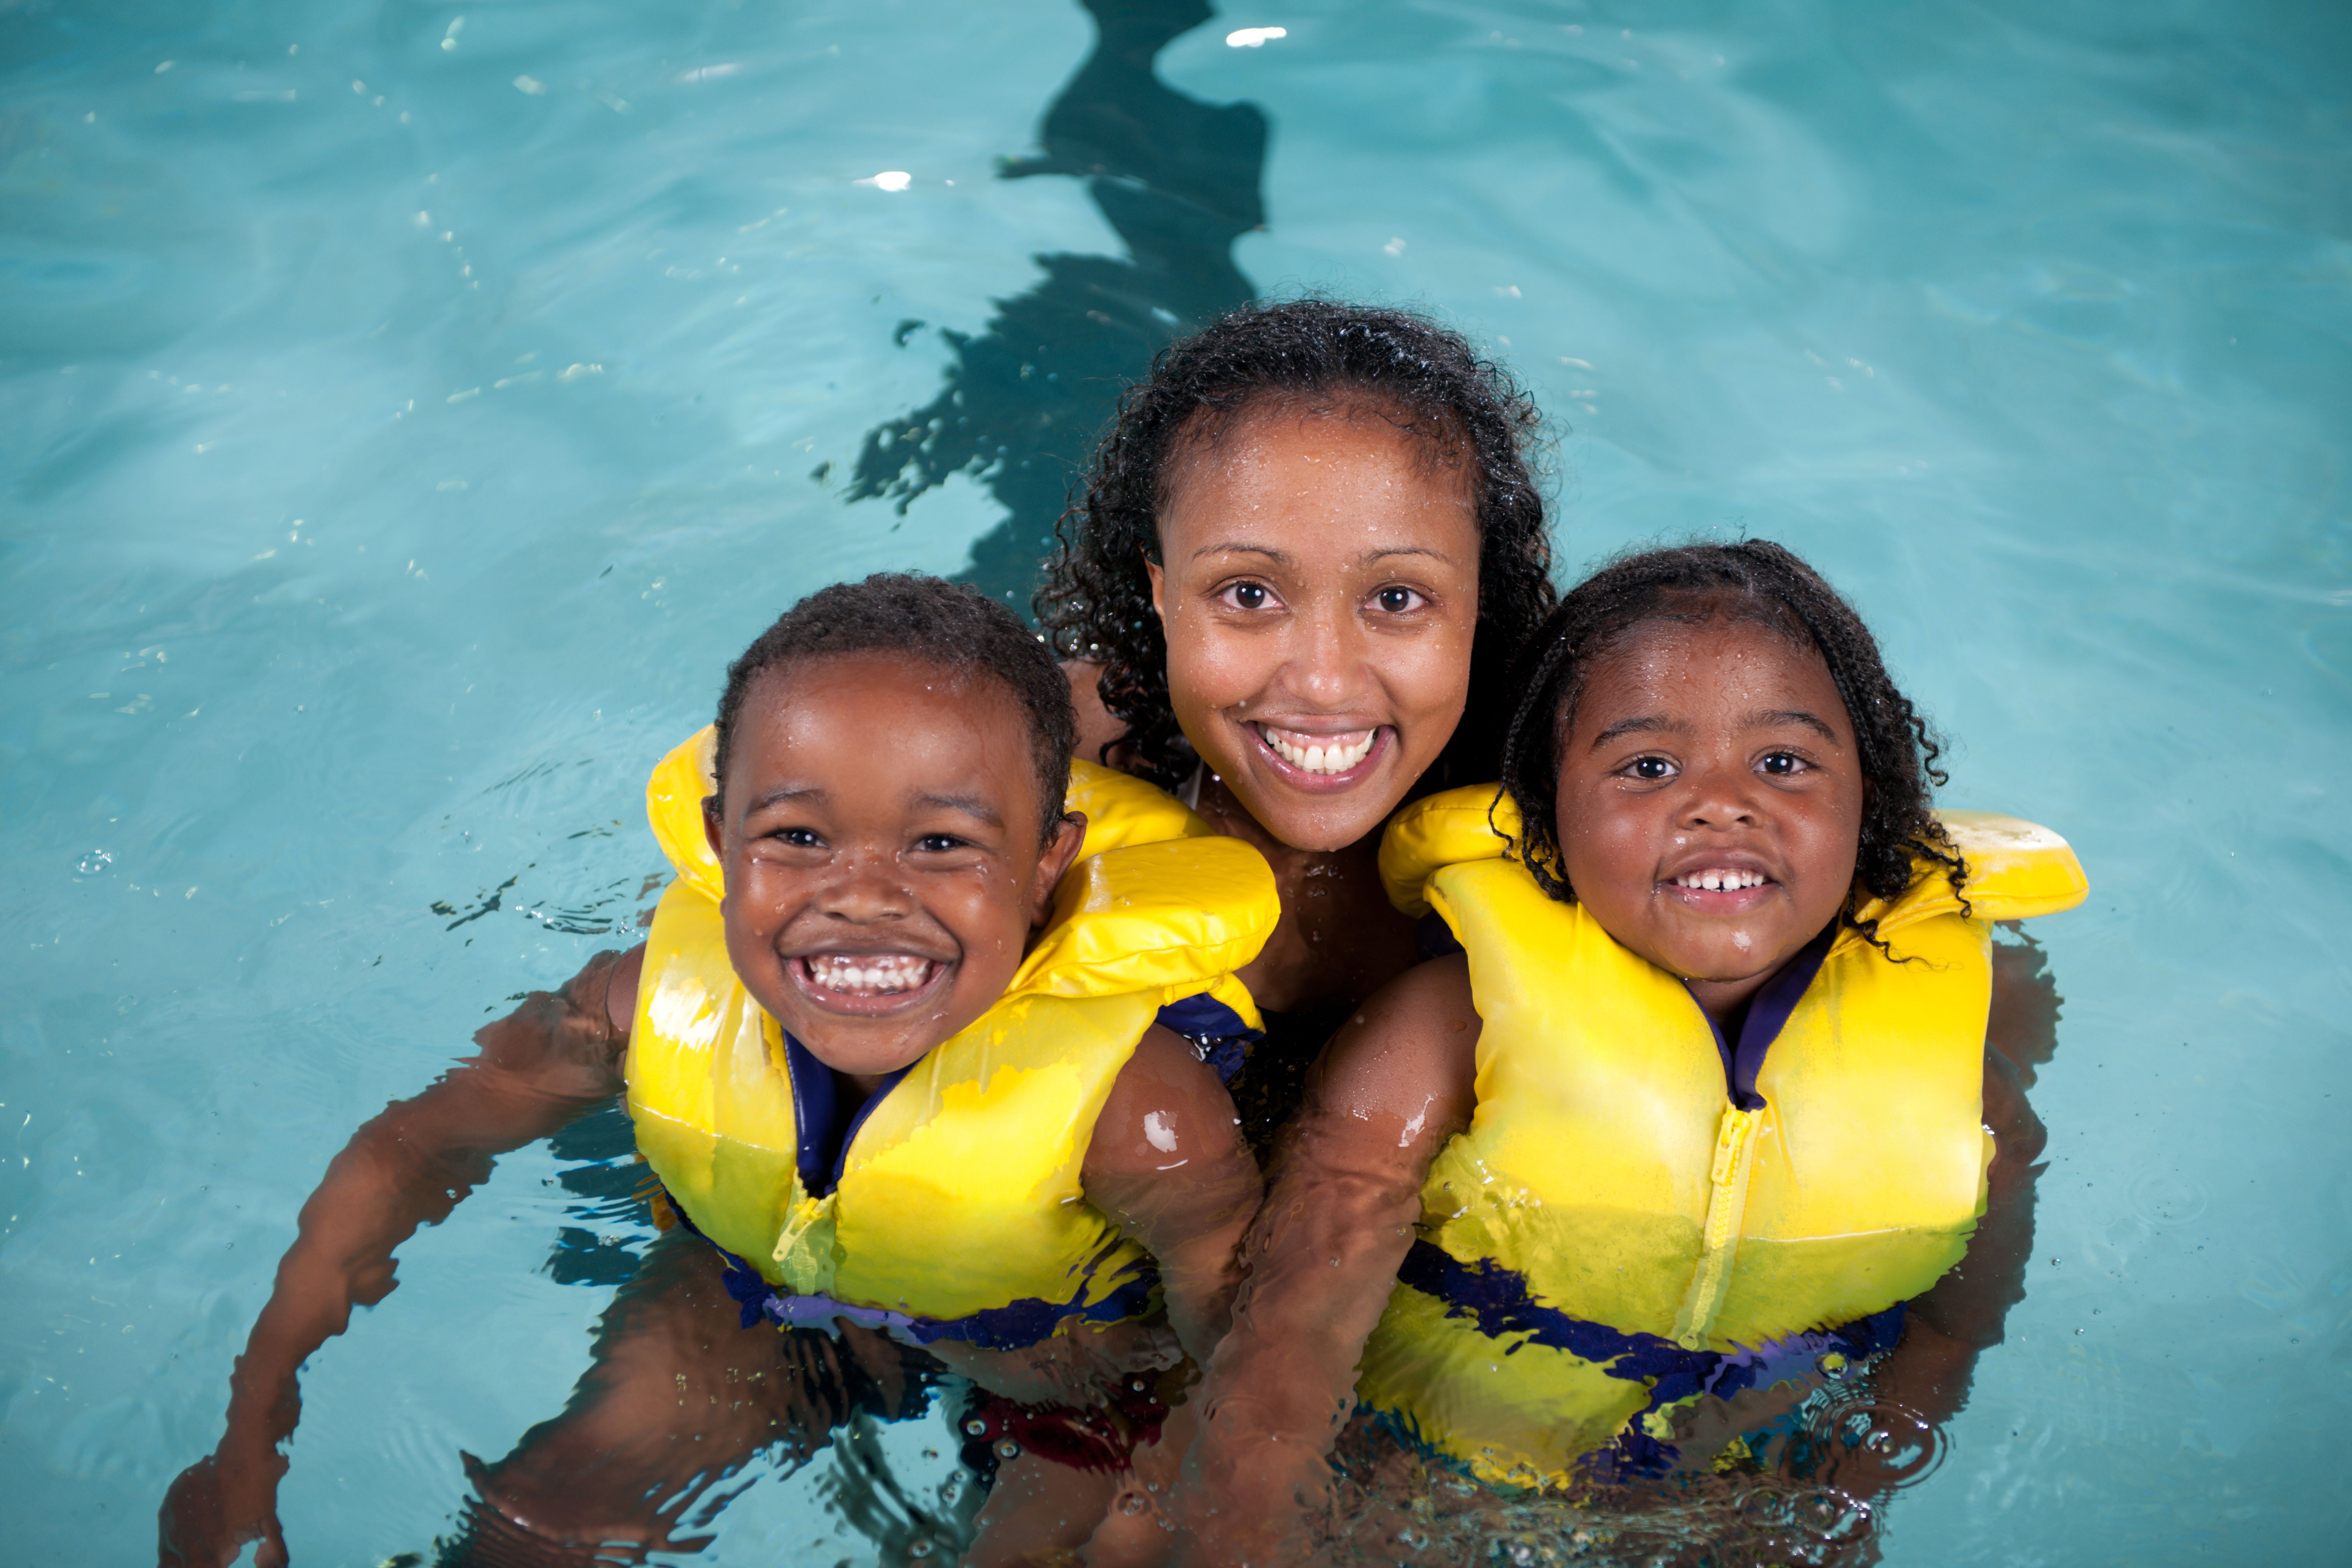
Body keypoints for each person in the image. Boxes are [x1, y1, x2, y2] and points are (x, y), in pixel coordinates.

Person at [161, 575, 1278, 1568]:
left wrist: (1181, 1493)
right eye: (797, 837)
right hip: (761, 1294)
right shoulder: (639, 1008)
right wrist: (248, 1444)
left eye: (940, 844)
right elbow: (411, 1149)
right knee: (541, 1522)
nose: (863, 895)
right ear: (719, 834)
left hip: (1066, 1378)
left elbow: (1245, 1348)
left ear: (1048, 864)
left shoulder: (1136, 1113)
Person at [1111, 541, 2090, 1564]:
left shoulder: (1966, 1095)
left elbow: (1950, 1334)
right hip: (1425, 1472)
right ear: (1544, 812)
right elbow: (1293, 1331)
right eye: (1649, 766)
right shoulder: (1446, 1034)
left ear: (1871, 800)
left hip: (1747, 1488)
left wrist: (1850, 1493)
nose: (1722, 802)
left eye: (1783, 762)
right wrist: (1260, 1524)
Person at [1038, 299, 1558, 1151]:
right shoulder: (1041, 759)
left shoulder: (1596, 805)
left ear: (1480, 601)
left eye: (1397, 598)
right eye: (1248, 594)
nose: (1322, 681)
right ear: (1163, 590)